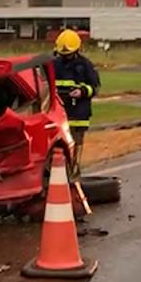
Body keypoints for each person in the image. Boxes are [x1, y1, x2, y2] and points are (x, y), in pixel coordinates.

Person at [53, 29, 100, 179]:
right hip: (58, 113)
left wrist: (82, 91)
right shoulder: (53, 64)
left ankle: (73, 176)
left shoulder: (85, 65)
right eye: (63, 54)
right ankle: (59, 176)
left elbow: (95, 87)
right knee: (57, 147)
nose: (65, 57)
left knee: (75, 147)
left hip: (78, 114)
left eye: (68, 54)